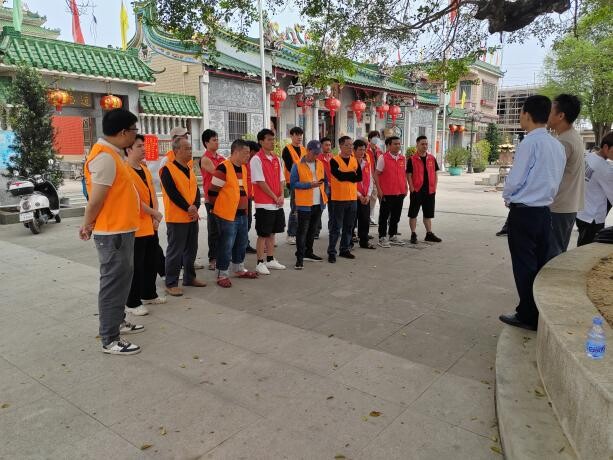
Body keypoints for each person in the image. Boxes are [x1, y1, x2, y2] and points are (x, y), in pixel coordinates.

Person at [499, 95, 566, 331]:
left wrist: (507, 196)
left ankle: (527, 314)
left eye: (521, 113)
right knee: (539, 263)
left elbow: (516, 179)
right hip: (544, 213)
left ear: (526, 114)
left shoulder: (530, 143)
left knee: (524, 265)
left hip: (524, 213)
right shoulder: (557, 145)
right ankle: (537, 310)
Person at [80, 108, 143, 356]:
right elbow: (95, 200)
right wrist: (87, 224)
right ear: (123, 132)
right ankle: (110, 339)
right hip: (113, 233)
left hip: (121, 229)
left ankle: (117, 322)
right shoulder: (105, 157)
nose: (136, 135)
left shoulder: (113, 154)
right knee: (113, 284)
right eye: (134, 130)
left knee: (121, 281)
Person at [125, 134, 166, 317]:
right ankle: (132, 302)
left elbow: (152, 194)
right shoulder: (125, 171)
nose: (143, 149)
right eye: (139, 146)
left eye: (143, 145)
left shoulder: (144, 169)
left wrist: (156, 215)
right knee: (136, 266)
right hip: (136, 227)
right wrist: (154, 213)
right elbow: (133, 200)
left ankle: (149, 294)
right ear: (128, 149)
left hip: (150, 224)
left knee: (151, 261)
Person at [208, 139, 259, 287]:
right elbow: (212, 192)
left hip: (242, 213)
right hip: (227, 215)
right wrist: (217, 209)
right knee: (226, 245)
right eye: (246, 153)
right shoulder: (223, 168)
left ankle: (238, 268)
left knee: (241, 243)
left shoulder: (243, 168)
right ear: (236, 152)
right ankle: (222, 274)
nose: (248, 156)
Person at [160, 137, 207, 296]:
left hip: (192, 216)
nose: (190, 151)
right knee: (176, 251)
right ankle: (171, 283)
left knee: (191, 249)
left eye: (190, 148)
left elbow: (196, 190)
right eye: (187, 148)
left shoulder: (189, 168)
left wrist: (195, 206)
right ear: (176, 151)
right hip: (176, 218)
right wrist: (188, 207)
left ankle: (189, 277)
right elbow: (172, 193)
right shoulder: (167, 169)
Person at [546, 94, 585, 259]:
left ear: (561, 115)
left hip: (558, 206)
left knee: (551, 255)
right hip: (567, 205)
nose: (546, 115)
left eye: (550, 111)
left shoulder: (563, 142)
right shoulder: (572, 136)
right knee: (557, 251)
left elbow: (550, 176)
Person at [250, 128, 287, 275]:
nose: (272, 142)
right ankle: (260, 262)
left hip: (277, 203)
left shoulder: (276, 158)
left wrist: (282, 195)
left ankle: (270, 259)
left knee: (272, 233)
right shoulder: (256, 159)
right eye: (269, 140)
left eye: (273, 139)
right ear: (261, 142)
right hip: (264, 203)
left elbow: (281, 179)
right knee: (263, 234)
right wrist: (274, 197)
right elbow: (260, 182)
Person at [290, 139, 327, 270]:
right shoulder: (297, 165)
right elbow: (293, 184)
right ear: (308, 150)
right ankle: (299, 259)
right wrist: (309, 185)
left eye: (318, 153)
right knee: (302, 232)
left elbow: (325, 180)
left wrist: (325, 194)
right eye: (314, 153)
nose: (316, 155)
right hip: (304, 204)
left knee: (312, 231)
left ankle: (309, 253)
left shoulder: (320, 164)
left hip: (318, 203)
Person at [575, 132, 613, 246]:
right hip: (593, 218)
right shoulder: (605, 169)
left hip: (581, 212)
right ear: (606, 147)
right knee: (588, 250)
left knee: (582, 246)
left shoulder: (590, 157)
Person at [328, 135, 361, 263]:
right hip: (338, 199)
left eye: (351, 145)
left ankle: (344, 249)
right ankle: (332, 252)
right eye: (347, 145)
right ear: (341, 146)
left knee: (349, 226)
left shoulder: (354, 160)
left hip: (352, 198)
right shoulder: (334, 160)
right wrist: (351, 174)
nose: (350, 147)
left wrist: (347, 175)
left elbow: (359, 178)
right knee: (336, 227)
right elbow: (339, 176)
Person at [407, 136, 442, 244]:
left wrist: (434, 187)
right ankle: (413, 234)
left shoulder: (431, 158)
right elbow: (409, 175)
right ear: (417, 145)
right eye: (422, 144)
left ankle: (429, 234)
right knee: (413, 214)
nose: (425, 146)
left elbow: (435, 173)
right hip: (417, 190)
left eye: (426, 144)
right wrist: (412, 188)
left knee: (428, 214)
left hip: (429, 191)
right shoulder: (412, 159)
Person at [375, 136, 408, 248]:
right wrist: (379, 190)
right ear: (388, 146)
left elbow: (403, 174)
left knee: (396, 215)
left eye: (399, 144)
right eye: (395, 144)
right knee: (384, 216)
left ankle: (392, 235)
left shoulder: (402, 158)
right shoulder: (383, 158)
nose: (398, 146)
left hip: (400, 192)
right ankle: (382, 237)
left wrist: (406, 187)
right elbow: (376, 174)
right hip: (387, 192)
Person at [200, 129, 225, 271]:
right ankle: (213, 258)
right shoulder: (205, 159)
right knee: (214, 230)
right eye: (214, 140)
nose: (217, 142)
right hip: (212, 199)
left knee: (223, 229)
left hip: (223, 198)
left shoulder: (221, 158)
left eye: (217, 139)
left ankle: (222, 256)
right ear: (206, 143)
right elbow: (218, 174)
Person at [282, 126, 306, 245]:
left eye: (301, 135)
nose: (299, 137)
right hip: (293, 182)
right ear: (291, 136)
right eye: (297, 135)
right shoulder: (287, 149)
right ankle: (291, 234)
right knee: (295, 208)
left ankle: (300, 233)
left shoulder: (304, 149)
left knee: (303, 209)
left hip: (305, 182)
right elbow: (290, 165)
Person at [354, 139, 376, 249]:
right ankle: (349, 242)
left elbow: (370, 180)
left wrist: (367, 195)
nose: (362, 152)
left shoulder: (366, 163)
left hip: (365, 196)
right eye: (360, 150)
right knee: (352, 220)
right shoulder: (350, 164)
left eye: (364, 150)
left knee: (365, 220)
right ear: (354, 150)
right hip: (353, 196)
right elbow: (350, 183)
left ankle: (364, 241)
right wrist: (359, 196)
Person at [315, 136, 334, 239]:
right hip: (323, 187)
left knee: (333, 210)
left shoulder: (333, 157)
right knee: (319, 209)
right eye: (326, 145)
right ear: (321, 146)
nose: (328, 147)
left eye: (329, 145)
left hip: (334, 188)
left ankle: (332, 230)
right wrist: (325, 183)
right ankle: (316, 231)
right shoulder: (317, 158)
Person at [245, 141, 260, 254]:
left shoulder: (250, 163)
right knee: (242, 222)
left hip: (248, 197)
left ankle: (245, 244)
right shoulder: (240, 164)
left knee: (248, 221)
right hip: (240, 198)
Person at [366, 131, 383, 225]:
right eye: (375, 137)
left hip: (379, 177)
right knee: (371, 197)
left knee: (376, 198)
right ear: (370, 139)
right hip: (369, 176)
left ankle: (371, 217)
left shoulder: (379, 150)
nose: (376, 138)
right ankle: (368, 217)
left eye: (378, 137)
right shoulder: (366, 150)